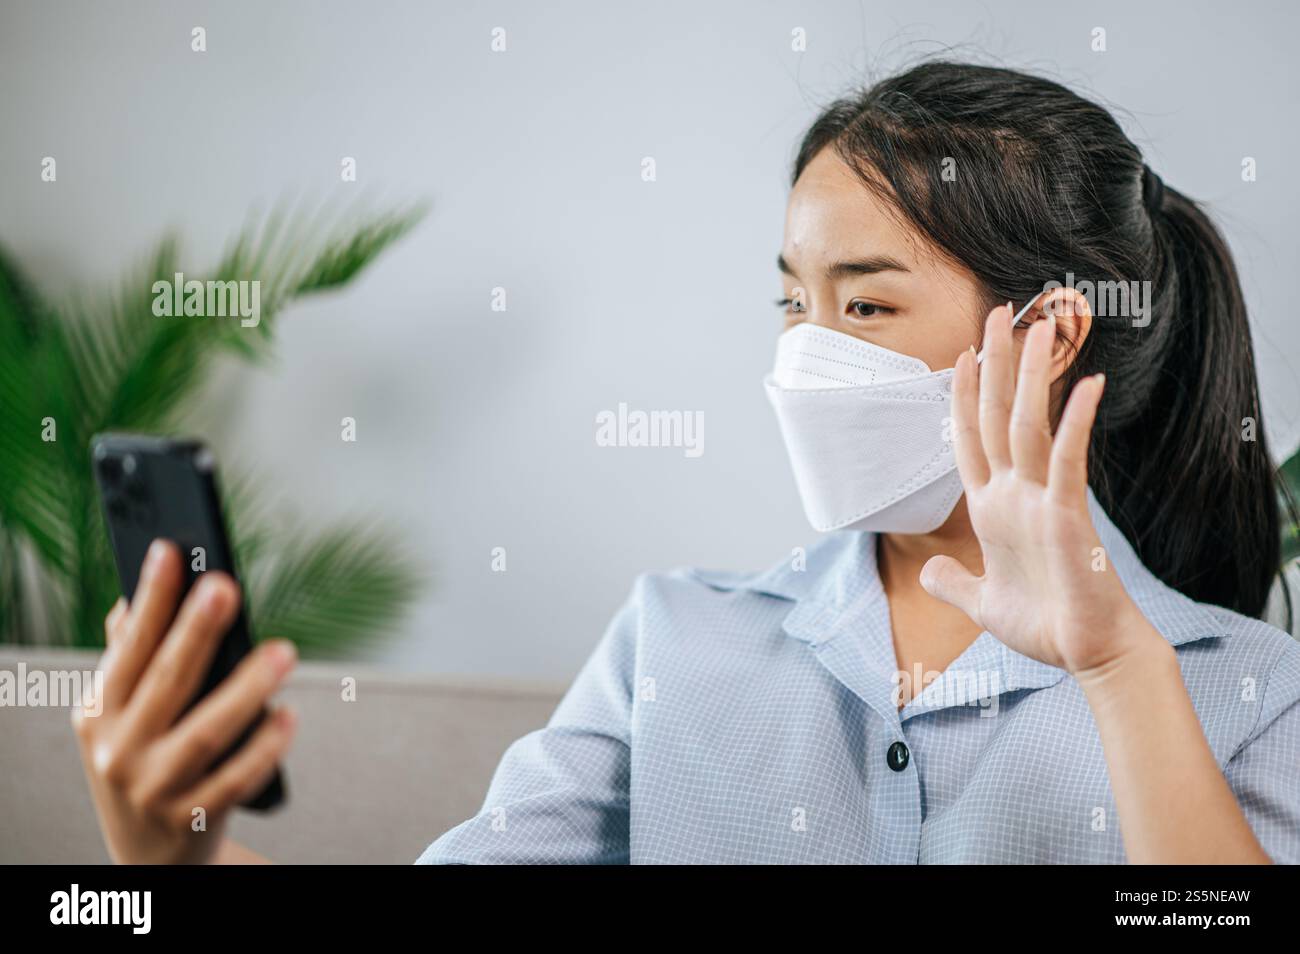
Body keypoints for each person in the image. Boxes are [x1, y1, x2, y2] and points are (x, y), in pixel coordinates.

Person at [74, 62, 1300, 864]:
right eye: (790, 304)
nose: (804, 359)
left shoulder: (1250, 691)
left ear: (1046, 335)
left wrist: (1117, 670)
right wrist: (167, 857)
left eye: (864, 310)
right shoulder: (676, 643)